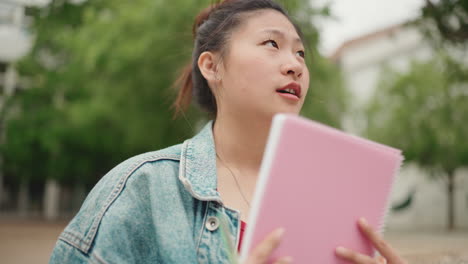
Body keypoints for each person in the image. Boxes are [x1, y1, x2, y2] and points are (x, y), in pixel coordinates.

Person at [50, 0, 408, 263]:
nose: (295, 65)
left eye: (301, 54)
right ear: (212, 65)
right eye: (272, 44)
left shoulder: (334, 197)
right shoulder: (141, 188)